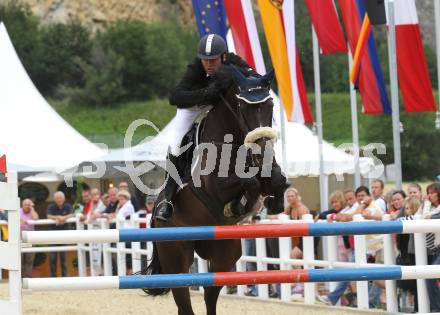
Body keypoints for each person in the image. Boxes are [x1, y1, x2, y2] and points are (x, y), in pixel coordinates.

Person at [155, 33, 257, 222]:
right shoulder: (196, 68)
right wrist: (204, 94)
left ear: (224, 57)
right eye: (205, 60)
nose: (209, 64)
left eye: (213, 60)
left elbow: (254, 77)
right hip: (194, 106)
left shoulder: (233, 61)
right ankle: (168, 197)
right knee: (176, 144)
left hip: (220, 106)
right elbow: (175, 97)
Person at [283, 188, 309, 295]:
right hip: (299, 237)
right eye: (288, 196)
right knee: (298, 259)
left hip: (307, 236)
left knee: (294, 256)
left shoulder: (301, 208)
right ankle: (302, 285)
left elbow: (303, 225)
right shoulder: (289, 208)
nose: (289, 198)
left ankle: (301, 283)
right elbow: (281, 216)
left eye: (292, 196)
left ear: (297, 196)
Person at [46, 191, 73, 277]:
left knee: (63, 258)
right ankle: (53, 277)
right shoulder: (51, 206)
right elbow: (48, 216)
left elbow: (72, 214)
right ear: (54, 199)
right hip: (52, 236)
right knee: (52, 258)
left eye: (60, 198)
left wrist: (64, 218)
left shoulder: (68, 206)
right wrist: (58, 217)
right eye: (57, 198)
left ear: (64, 199)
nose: (59, 199)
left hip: (64, 236)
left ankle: (65, 276)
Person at [424, 183, 440, 312]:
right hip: (436, 249)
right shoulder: (436, 208)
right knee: (430, 276)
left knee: (430, 276)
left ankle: (436, 309)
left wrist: (427, 205)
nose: (429, 195)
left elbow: (426, 218)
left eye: (432, 192)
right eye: (428, 193)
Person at [20, 199, 38, 278]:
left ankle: (28, 277)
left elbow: (36, 218)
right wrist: (21, 221)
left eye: (29, 204)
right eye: (25, 204)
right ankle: (20, 278)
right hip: (19, 239)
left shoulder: (32, 211)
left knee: (29, 260)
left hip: (30, 239)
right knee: (19, 259)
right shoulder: (18, 211)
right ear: (22, 205)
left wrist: (32, 208)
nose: (27, 206)